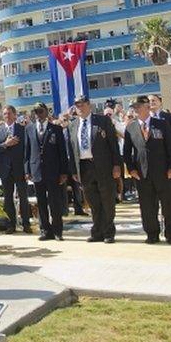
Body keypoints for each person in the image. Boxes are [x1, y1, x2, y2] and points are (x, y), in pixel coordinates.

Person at [124, 97, 171, 244]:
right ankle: (152, 234)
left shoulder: (161, 124)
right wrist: (131, 169)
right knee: (147, 206)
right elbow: (127, 152)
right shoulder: (131, 127)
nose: (135, 109)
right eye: (134, 107)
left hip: (163, 172)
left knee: (169, 205)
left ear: (147, 107)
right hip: (142, 174)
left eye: (138, 106)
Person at [68, 95, 122, 243]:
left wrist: (117, 165)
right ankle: (97, 231)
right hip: (84, 167)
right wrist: (74, 170)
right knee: (93, 201)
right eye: (77, 105)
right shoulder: (73, 125)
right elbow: (71, 150)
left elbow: (113, 144)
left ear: (89, 105)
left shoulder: (102, 120)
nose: (79, 107)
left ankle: (109, 232)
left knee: (107, 199)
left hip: (103, 166)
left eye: (82, 104)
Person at [24, 103, 69, 241]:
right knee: (41, 202)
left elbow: (62, 152)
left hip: (53, 170)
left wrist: (63, 172)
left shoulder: (56, 128)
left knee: (54, 202)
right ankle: (45, 230)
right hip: (36, 170)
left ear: (46, 112)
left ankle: (57, 231)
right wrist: (27, 170)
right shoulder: (29, 129)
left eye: (41, 111)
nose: (38, 114)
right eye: (36, 111)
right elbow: (27, 151)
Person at [0, 105, 31, 234]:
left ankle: (26, 224)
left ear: (14, 115)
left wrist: (27, 169)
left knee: (23, 197)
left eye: (9, 113)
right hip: (5, 169)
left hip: (20, 169)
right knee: (8, 199)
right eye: (4, 113)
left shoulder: (23, 129)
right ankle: (10, 225)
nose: (6, 116)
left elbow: (27, 150)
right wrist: (5, 144)